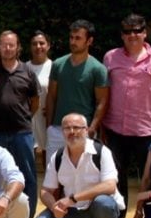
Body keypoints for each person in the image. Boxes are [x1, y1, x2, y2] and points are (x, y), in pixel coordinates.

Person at [102, 14, 151, 218]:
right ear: (122, 35)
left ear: (145, 32)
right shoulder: (110, 57)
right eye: (127, 31)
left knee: (150, 178)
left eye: (137, 30)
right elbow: (103, 93)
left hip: (147, 130)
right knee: (115, 178)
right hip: (115, 129)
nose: (132, 35)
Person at [34, 113, 124, 218]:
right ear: (62, 132)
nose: (72, 132)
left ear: (86, 130)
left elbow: (110, 186)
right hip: (73, 212)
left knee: (105, 203)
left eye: (77, 127)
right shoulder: (58, 156)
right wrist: (53, 206)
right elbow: (46, 191)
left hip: (98, 210)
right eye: (67, 128)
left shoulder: (102, 152)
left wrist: (72, 198)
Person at [0, 30, 41, 218]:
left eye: (11, 45)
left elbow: (34, 103)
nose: (7, 48)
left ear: (18, 47)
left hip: (22, 133)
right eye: (4, 45)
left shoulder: (28, 72)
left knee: (27, 177)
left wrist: (22, 117)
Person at [44, 19, 108, 157]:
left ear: (89, 41)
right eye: (71, 37)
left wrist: (92, 128)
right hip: (57, 129)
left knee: (82, 175)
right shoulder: (57, 65)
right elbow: (51, 96)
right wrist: (49, 126)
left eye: (78, 38)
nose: (73, 42)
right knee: (54, 173)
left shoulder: (98, 69)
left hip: (82, 130)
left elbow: (102, 102)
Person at [25, 31, 52, 168]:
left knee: (49, 160)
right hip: (28, 117)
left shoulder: (54, 67)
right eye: (34, 44)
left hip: (46, 117)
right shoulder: (24, 68)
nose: (38, 46)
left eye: (42, 43)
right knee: (29, 160)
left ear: (48, 46)